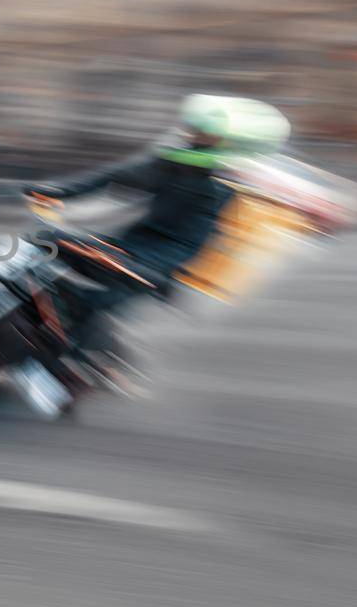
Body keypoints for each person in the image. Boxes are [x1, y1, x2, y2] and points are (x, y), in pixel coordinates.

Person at [22, 94, 289, 394]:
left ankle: (90, 364)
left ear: (227, 142)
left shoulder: (228, 185)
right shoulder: (175, 164)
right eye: (194, 129)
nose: (193, 136)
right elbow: (115, 178)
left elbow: (231, 246)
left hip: (158, 267)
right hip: (129, 249)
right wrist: (57, 192)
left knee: (85, 304)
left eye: (204, 133)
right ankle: (84, 348)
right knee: (44, 244)